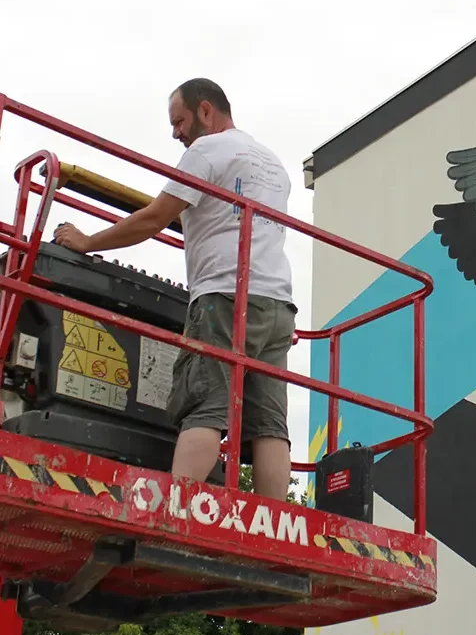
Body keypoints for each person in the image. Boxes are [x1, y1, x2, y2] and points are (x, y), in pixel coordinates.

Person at [54, 78, 297, 500]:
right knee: (269, 425)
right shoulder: (273, 163)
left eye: (179, 121)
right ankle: (276, 533)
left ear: (206, 110)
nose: (175, 134)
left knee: (205, 405)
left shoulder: (207, 151)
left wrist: (88, 241)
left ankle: (174, 513)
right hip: (277, 304)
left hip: (225, 297)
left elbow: (154, 218)